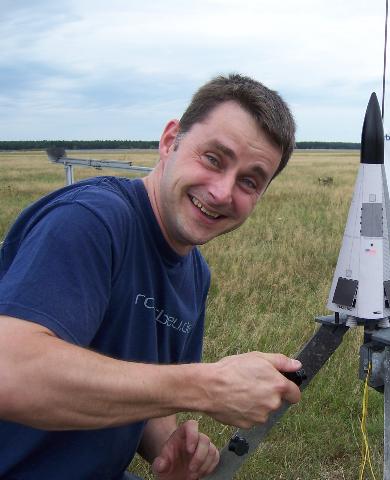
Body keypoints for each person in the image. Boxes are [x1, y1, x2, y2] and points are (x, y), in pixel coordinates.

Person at [0, 73, 301, 479]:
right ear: (170, 141)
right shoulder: (92, 221)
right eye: (213, 159)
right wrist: (206, 386)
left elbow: (144, 390)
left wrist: (170, 447)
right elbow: (11, 372)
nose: (222, 192)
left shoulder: (195, 273)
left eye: (249, 181)